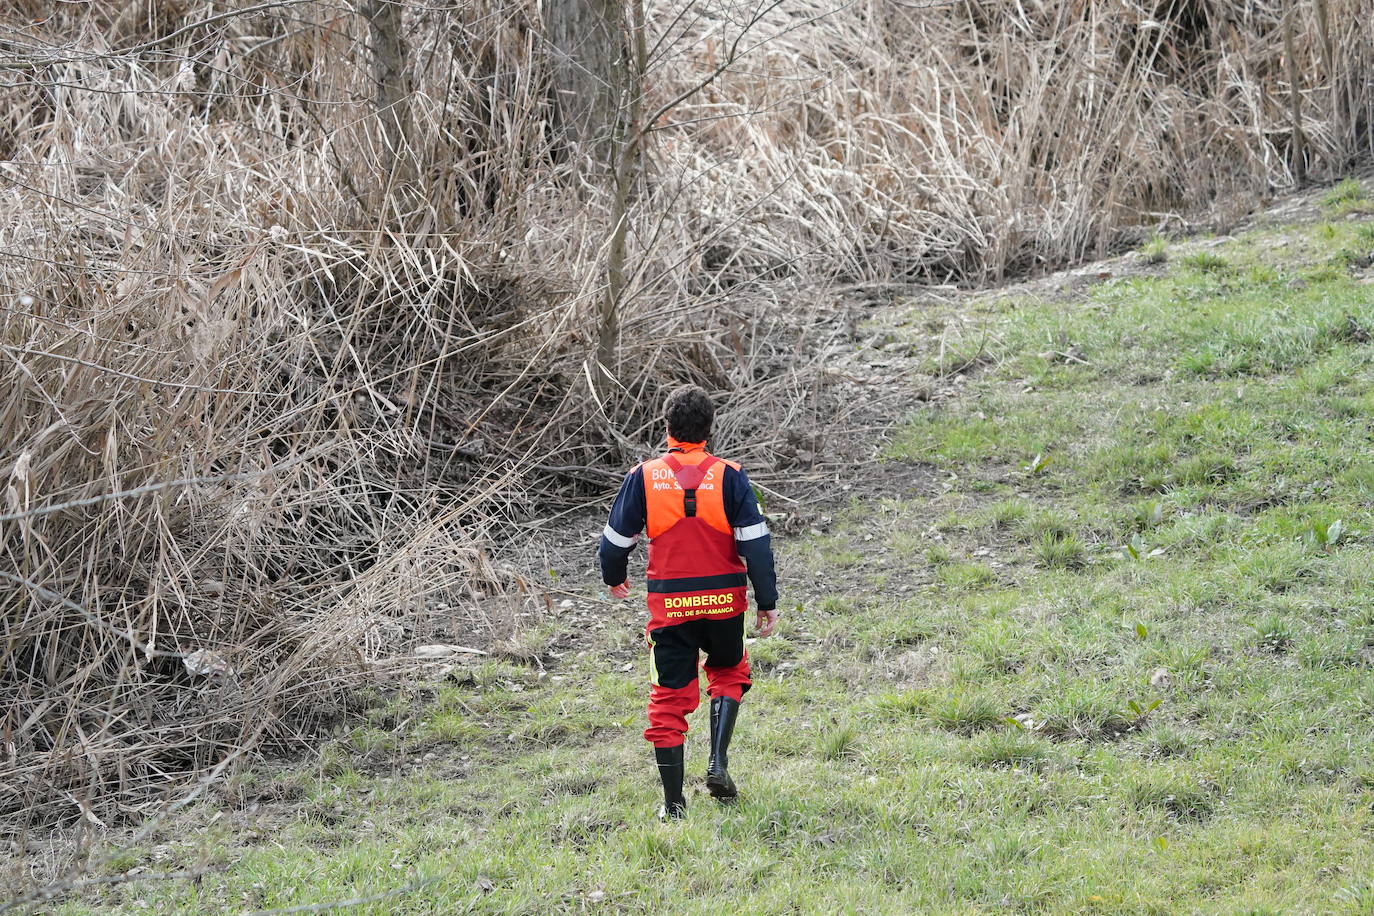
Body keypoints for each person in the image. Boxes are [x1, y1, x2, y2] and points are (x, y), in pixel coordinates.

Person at [599, 385, 779, 820]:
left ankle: (673, 805)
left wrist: (615, 578)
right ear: (709, 430)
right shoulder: (731, 475)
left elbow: (613, 544)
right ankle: (717, 762)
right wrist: (766, 600)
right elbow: (756, 546)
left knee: (668, 698)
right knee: (729, 671)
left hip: (670, 607)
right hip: (724, 603)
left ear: (667, 429)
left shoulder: (642, 477)